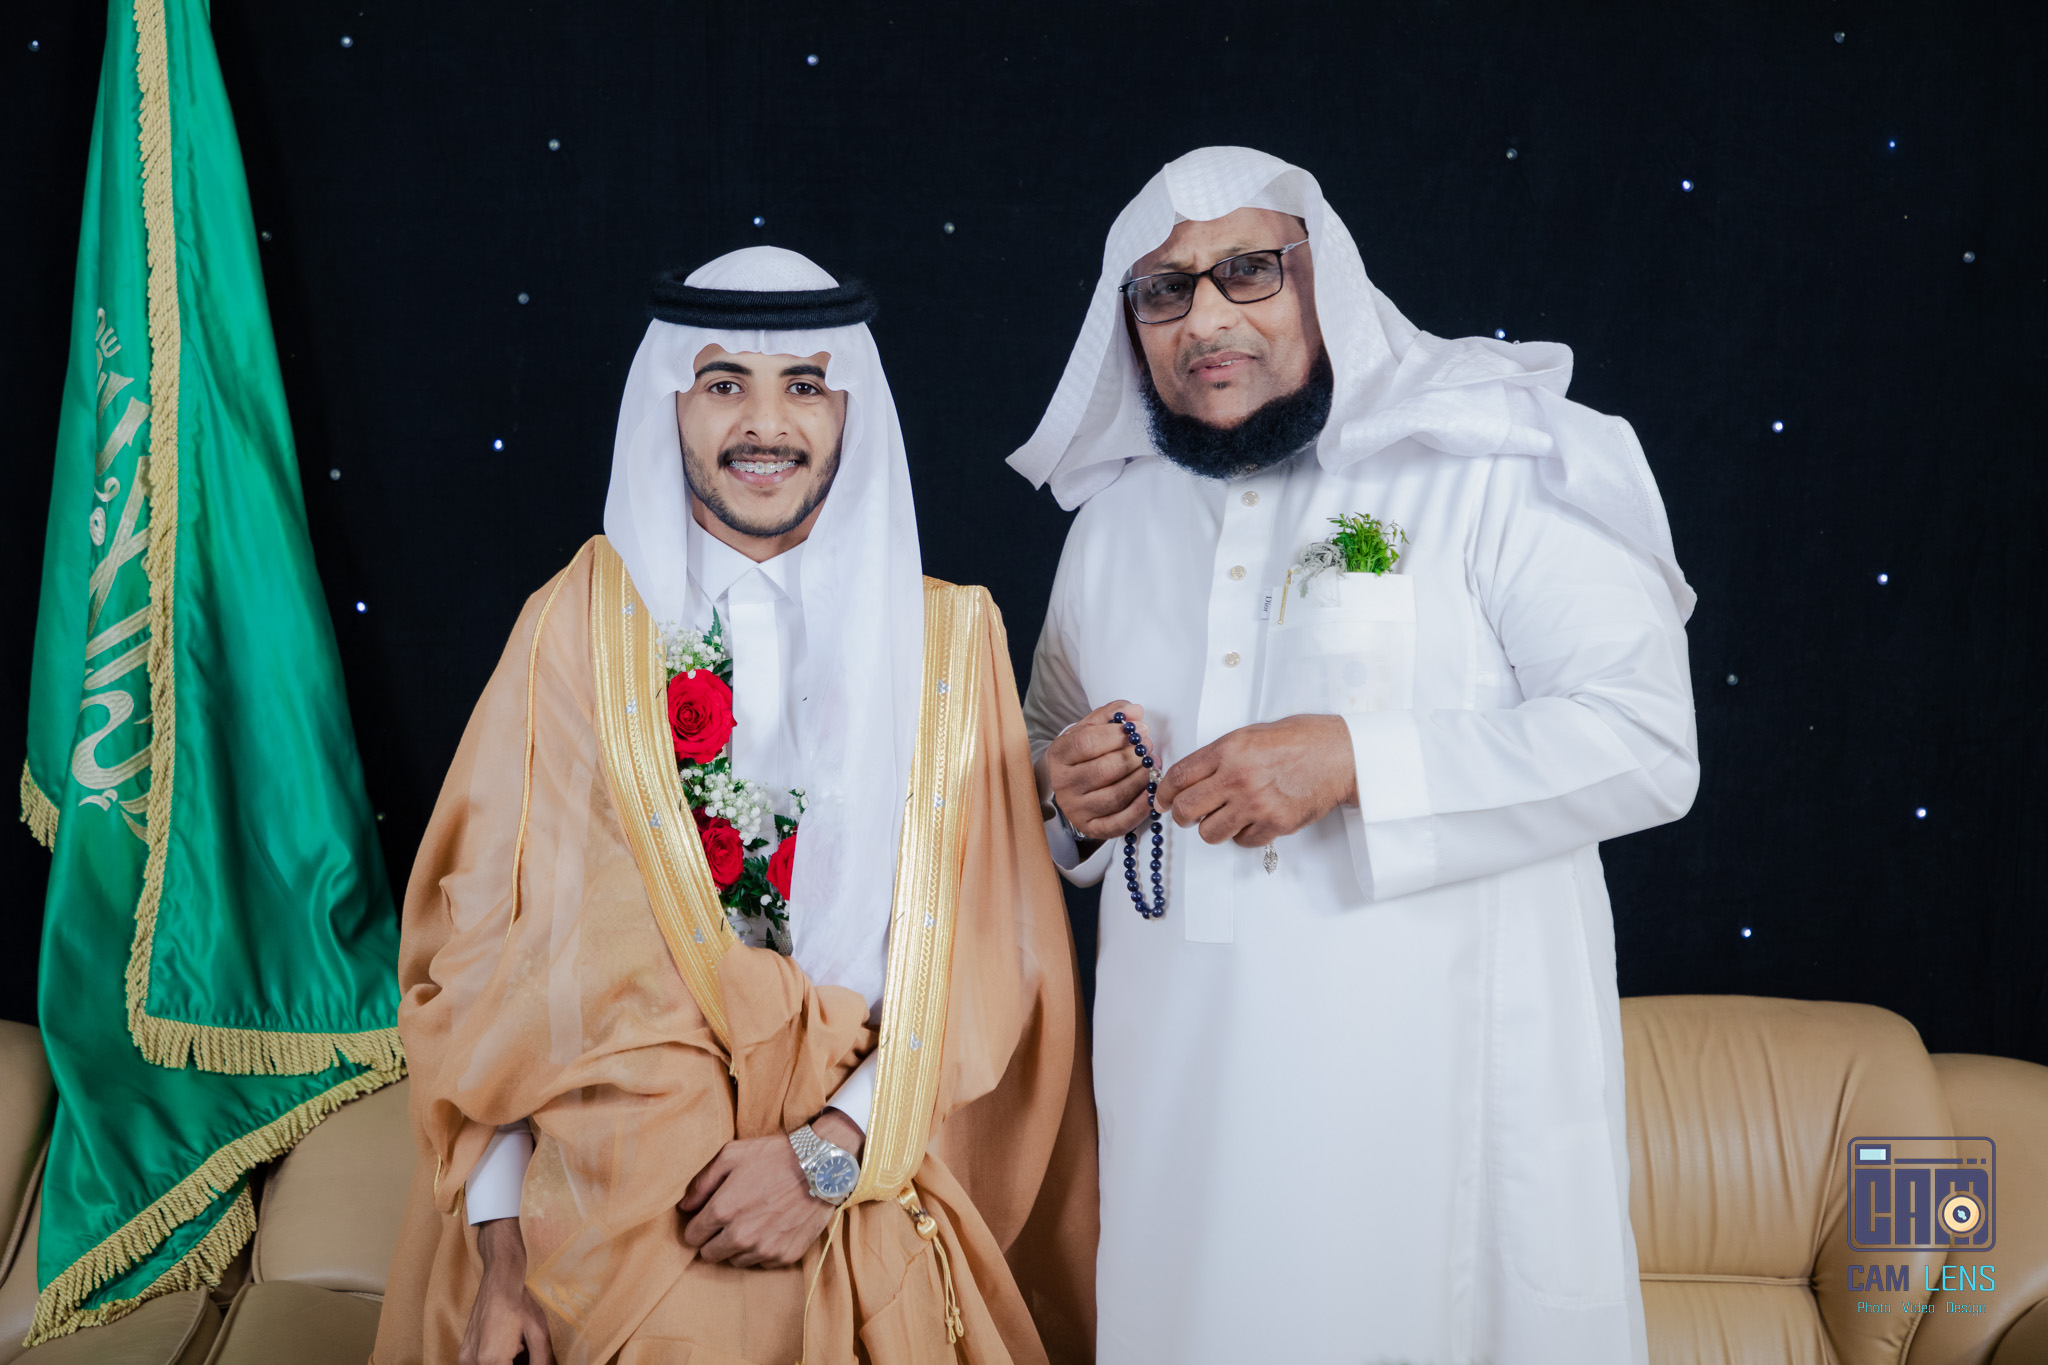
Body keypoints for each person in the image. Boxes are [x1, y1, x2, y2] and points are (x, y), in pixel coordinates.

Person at [1011, 147, 1698, 1365]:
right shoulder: (1113, 525)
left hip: (1433, 1113)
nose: (1205, 320)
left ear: (1323, 276)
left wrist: (1354, 761)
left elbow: (1644, 738)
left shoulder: (1489, 459)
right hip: (1180, 1125)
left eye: (1246, 271)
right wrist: (1064, 790)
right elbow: (1043, 758)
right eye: (1164, 291)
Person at [372, 247, 1097, 1365]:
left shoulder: (950, 644)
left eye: (804, 385)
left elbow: (992, 958)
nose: (766, 423)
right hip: (602, 1204)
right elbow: (492, 963)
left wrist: (826, 1157)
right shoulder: (575, 630)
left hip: (861, 1180)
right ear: (671, 404)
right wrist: (504, 1253)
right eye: (724, 384)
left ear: (850, 410)